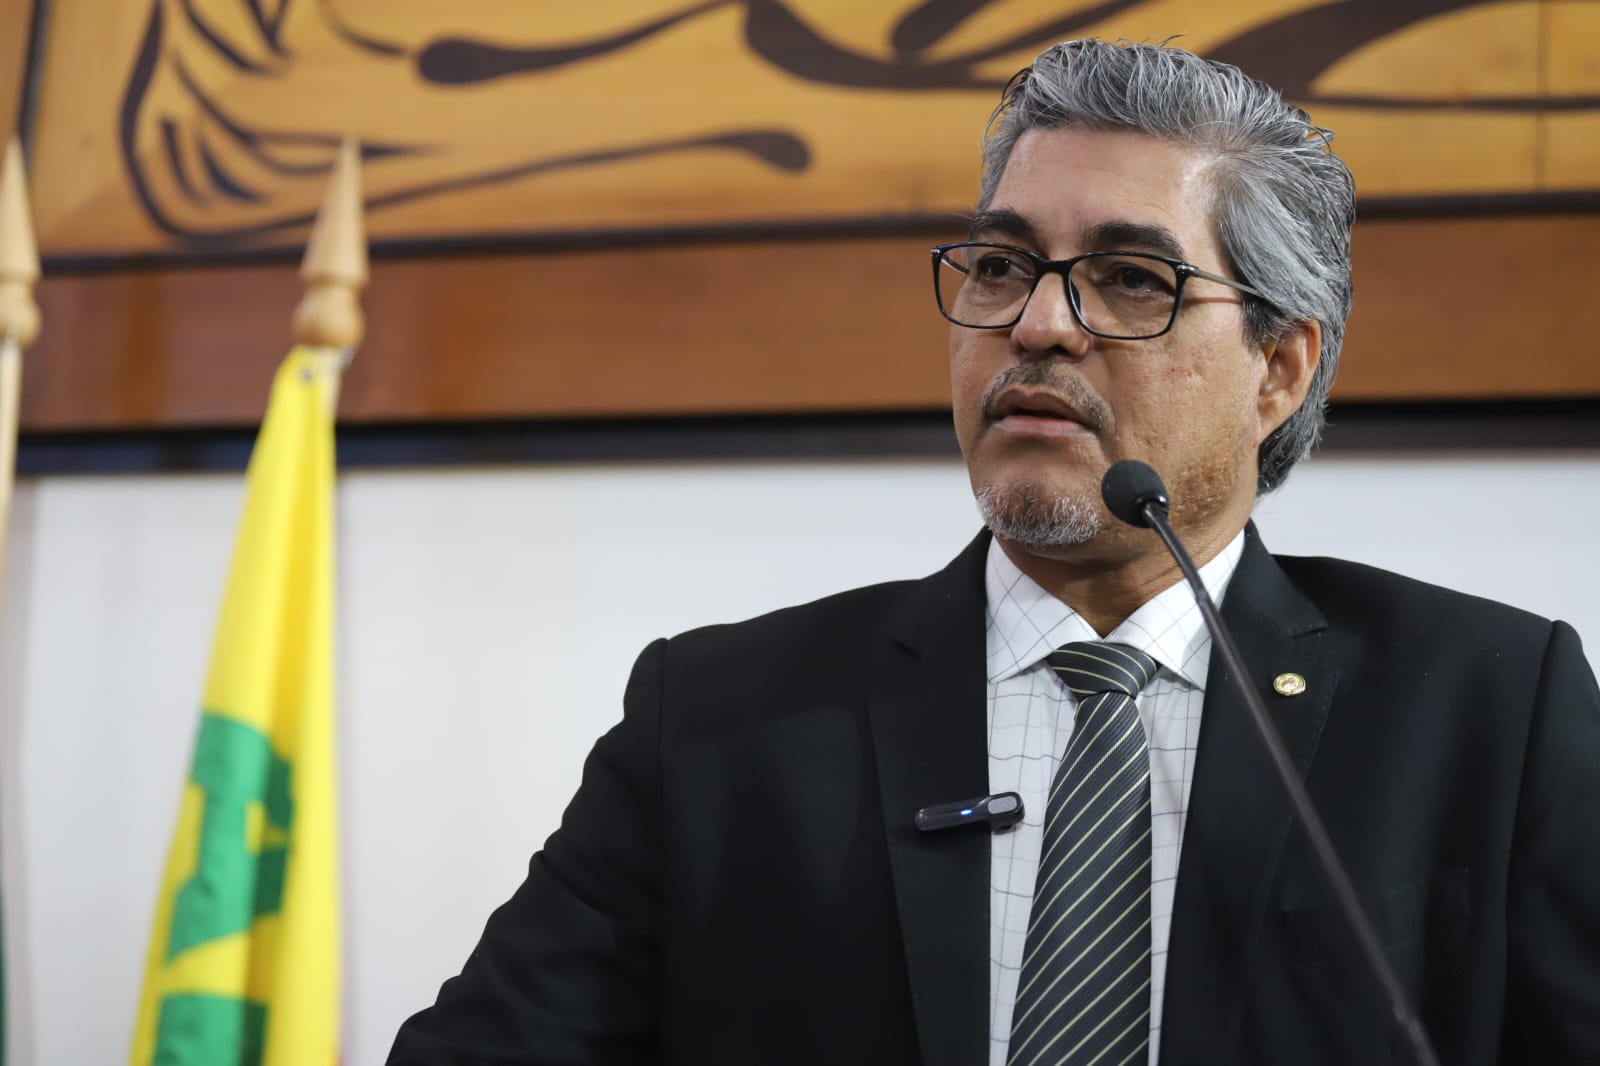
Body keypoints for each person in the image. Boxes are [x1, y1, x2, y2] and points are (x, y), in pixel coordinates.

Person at [387, 39, 1600, 1066]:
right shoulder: (719, 722)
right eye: (1003, 265)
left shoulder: (1485, 709)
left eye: (1131, 279)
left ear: (1277, 368)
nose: (1037, 322)